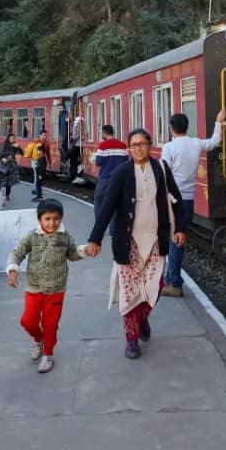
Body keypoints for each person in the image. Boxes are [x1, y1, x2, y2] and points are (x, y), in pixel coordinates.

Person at [84, 128, 185, 360]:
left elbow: (176, 199)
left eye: (143, 144)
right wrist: (94, 239)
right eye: (134, 145)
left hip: (156, 241)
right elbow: (108, 207)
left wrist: (180, 228)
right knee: (130, 293)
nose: (138, 149)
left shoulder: (160, 169)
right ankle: (131, 340)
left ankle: (142, 319)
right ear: (128, 149)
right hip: (127, 243)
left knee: (155, 288)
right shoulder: (121, 173)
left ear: (150, 146)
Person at [6, 198, 86, 373]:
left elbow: (73, 254)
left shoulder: (65, 237)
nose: (52, 223)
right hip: (34, 288)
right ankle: (38, 339)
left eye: (56, 218)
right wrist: (13, 270)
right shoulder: (32, 236)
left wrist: (84, 251)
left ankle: (48, 353)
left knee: (51, 324)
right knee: (28, 321)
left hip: (56, 290)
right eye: (47, 219)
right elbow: (17, 253)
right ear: (40, 220)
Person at [159, 108, 226, 296]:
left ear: (172, 129)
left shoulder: (169, 148)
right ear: (186, 127)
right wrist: (218, 122)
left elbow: (164, 173)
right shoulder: (196, 143)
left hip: (171, 199)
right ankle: (172, 280)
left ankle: (174, 282)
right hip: (188, 200)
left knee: (173, 241)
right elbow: (214, 142)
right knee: (179, 239)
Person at [92, 124, 128, 234]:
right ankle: (113, 229)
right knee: (116, 204)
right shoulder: (123, 146)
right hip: (119, 179)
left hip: (105, 179)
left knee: (99, 202)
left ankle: (100, 226)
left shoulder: (102, 146)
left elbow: (98, 162)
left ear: (104, 133)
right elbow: (126, 162)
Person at [0, 134, 23, 204]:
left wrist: (18, 147)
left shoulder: (14, 146)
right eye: (11, 138)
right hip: (3, 166)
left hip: (11, 167)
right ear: (8, 139)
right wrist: (2, 158)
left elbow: (22, 153)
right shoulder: (3, 146)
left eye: (14, 138)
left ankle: (7, 196)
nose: (13, 139)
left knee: (9, 182)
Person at [24, 130, 51, 201]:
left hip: (41, 161)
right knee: (37, 175)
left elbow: (48, 153)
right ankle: (35, 189)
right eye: (43, 135)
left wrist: (50, 162)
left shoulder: (47, 144)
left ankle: (35, 189)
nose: (45, 137)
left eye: (46, 135)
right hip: (35, 161)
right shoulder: (36, 142)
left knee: (37, 176)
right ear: (40, 135)